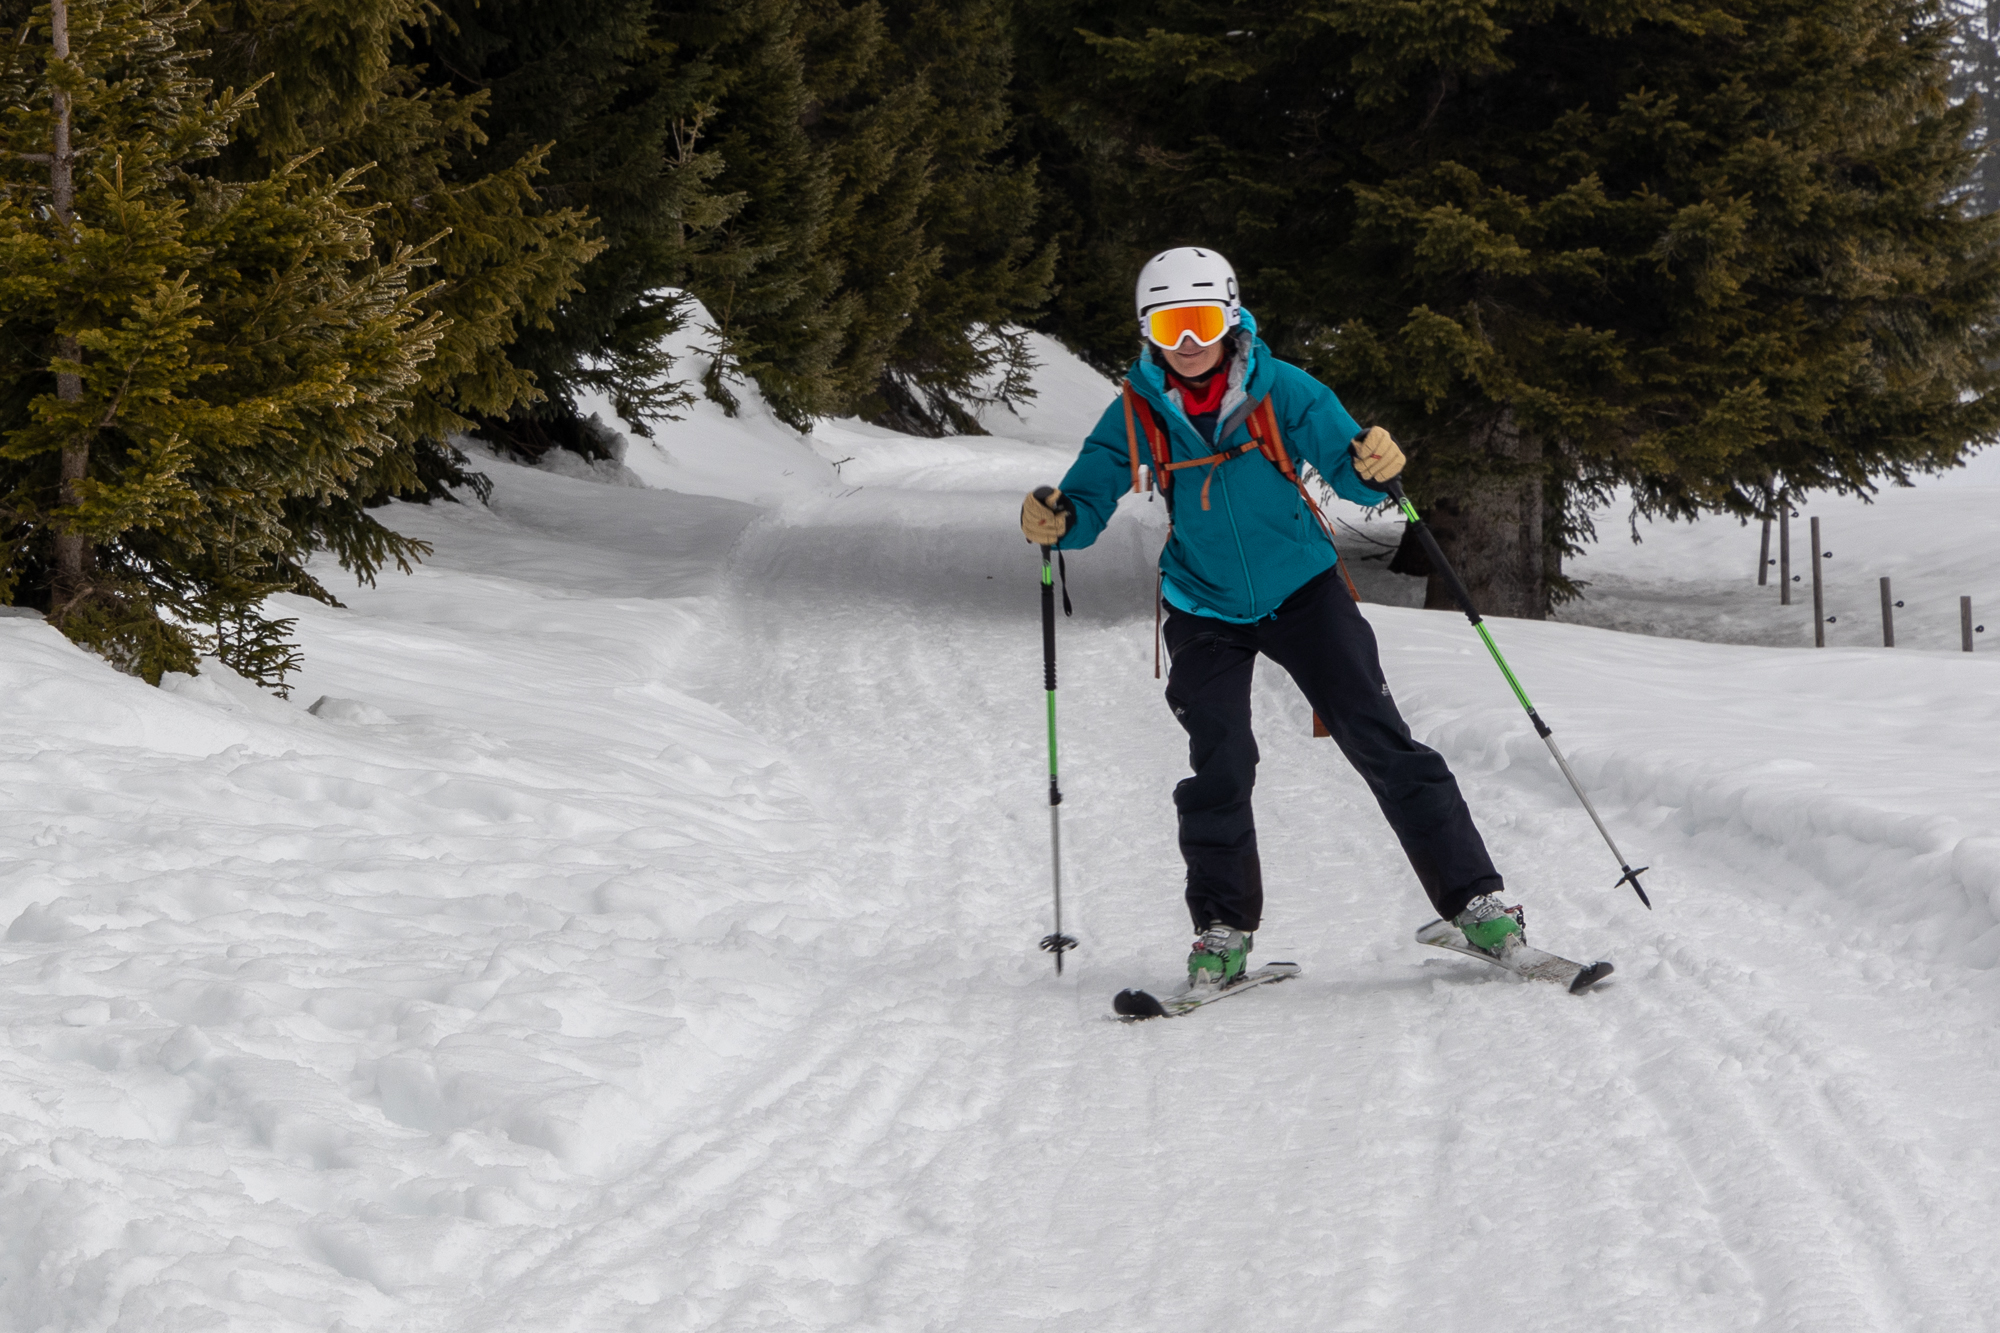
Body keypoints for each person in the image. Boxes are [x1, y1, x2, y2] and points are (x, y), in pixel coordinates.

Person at [1020, 247, 1524, 990]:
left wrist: (1377, 461)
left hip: (1305, 590)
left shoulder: (1283, 390)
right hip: (1203, 605)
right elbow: (1087, 498)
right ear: (1147, 331)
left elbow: (1351, 463)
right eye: (1168, 325)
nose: (1186, 342)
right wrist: (1056, 519)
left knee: (1378, 737)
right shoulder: (1136, 410)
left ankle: (1475, 901)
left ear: (1230, 317)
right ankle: (1222, 930)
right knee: (1220, 762)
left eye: (1199, 321)